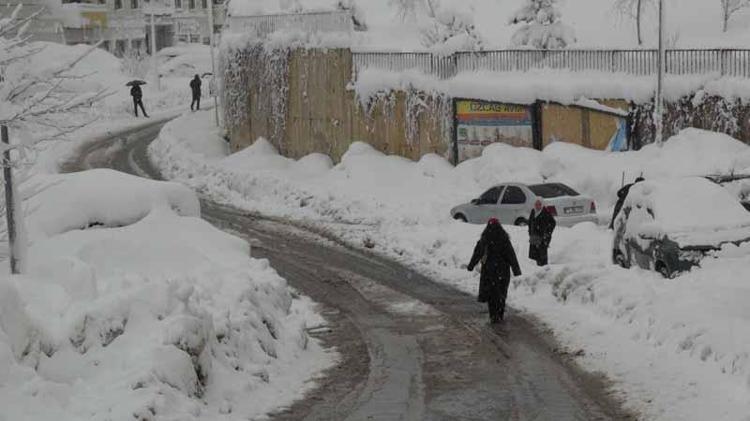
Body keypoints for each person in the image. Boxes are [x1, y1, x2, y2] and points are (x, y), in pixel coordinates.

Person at [467, 218, 521, 324]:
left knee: (491, 295)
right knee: (501, 293)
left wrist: (471, 265)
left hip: (489, 271)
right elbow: (511, 255)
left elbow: (477, 253)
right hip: (503, 271)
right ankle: (500, 314)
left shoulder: (484, 240)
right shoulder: (504, 240)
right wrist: (516, 270)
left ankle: (493, 315)